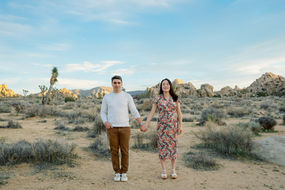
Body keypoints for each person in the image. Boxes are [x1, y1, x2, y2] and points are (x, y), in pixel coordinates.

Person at [100, 75, 147, 182]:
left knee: (125, 151)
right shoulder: (107, 97)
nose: (116, 84)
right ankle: (117, 172)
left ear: (122, 84)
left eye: (118, 82)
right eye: (114, 82)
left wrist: (141, 124)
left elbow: (134, 111)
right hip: (112, 128)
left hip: (125, 128)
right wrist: (105, 122)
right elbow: (103, 112)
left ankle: (124, 172)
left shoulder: (127, 96)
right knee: (114, 151)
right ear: (111, 84)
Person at [143, 78, 183, 179]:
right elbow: (152, 112)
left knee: (173, 148)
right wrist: (146, 124)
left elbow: (179, 113)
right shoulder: (157, 99)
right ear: (161, 86)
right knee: (162, 148)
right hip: (162, 127)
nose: (165, 86)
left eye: (167, 84)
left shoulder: (175, 98)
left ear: (170, 86)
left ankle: (173, 170)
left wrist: (180, 126)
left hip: (173, 127)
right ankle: (164, 170)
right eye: (163, 84)